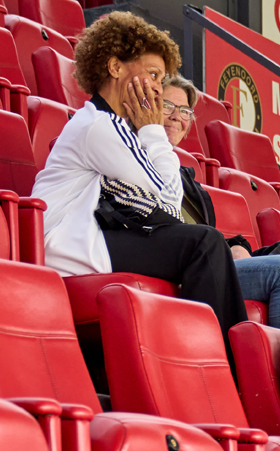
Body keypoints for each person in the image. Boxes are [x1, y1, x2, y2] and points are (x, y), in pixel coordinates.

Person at [30, 12, 244, 333]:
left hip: (95, 240)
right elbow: (171, 205)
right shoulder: (98, 126)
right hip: (69, 251)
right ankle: (223, 365)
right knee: (205, 243)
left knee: (203, 245)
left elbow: (164, 203)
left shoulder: (116, 128)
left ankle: (217, 361)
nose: (159, 88)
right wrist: (153, 129)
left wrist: (149, 131)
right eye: (154, 75)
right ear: (115, 67)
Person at [161, 74, 280, 332]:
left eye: (184, 111)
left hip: (211, 259)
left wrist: (234, 246)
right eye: (167, 106)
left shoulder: (186, 179)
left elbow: (203, 233)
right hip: (185, 267)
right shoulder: (137, 160)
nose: (176, 116)